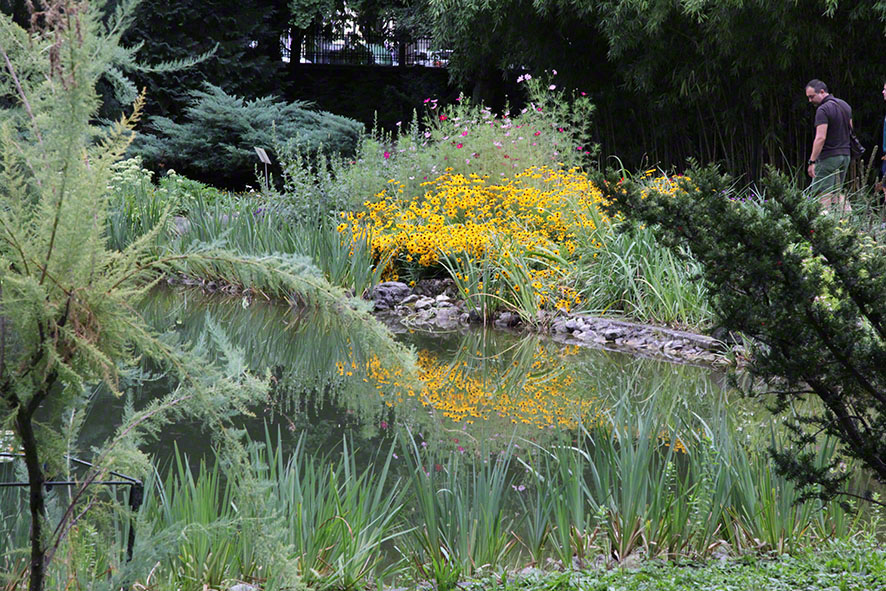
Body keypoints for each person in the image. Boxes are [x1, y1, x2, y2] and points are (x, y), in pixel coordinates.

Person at [805, 79, 853, 211]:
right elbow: (850, 131)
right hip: (845, 155)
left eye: (811, 96)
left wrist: (812, 161)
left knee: (822, 193)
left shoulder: (823, 110)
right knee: (837, 192)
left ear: (821, 92)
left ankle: (823, 226)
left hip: (829, 157)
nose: (810, 100)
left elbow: (820, 137)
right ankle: (850, 222)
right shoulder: (845, 105)